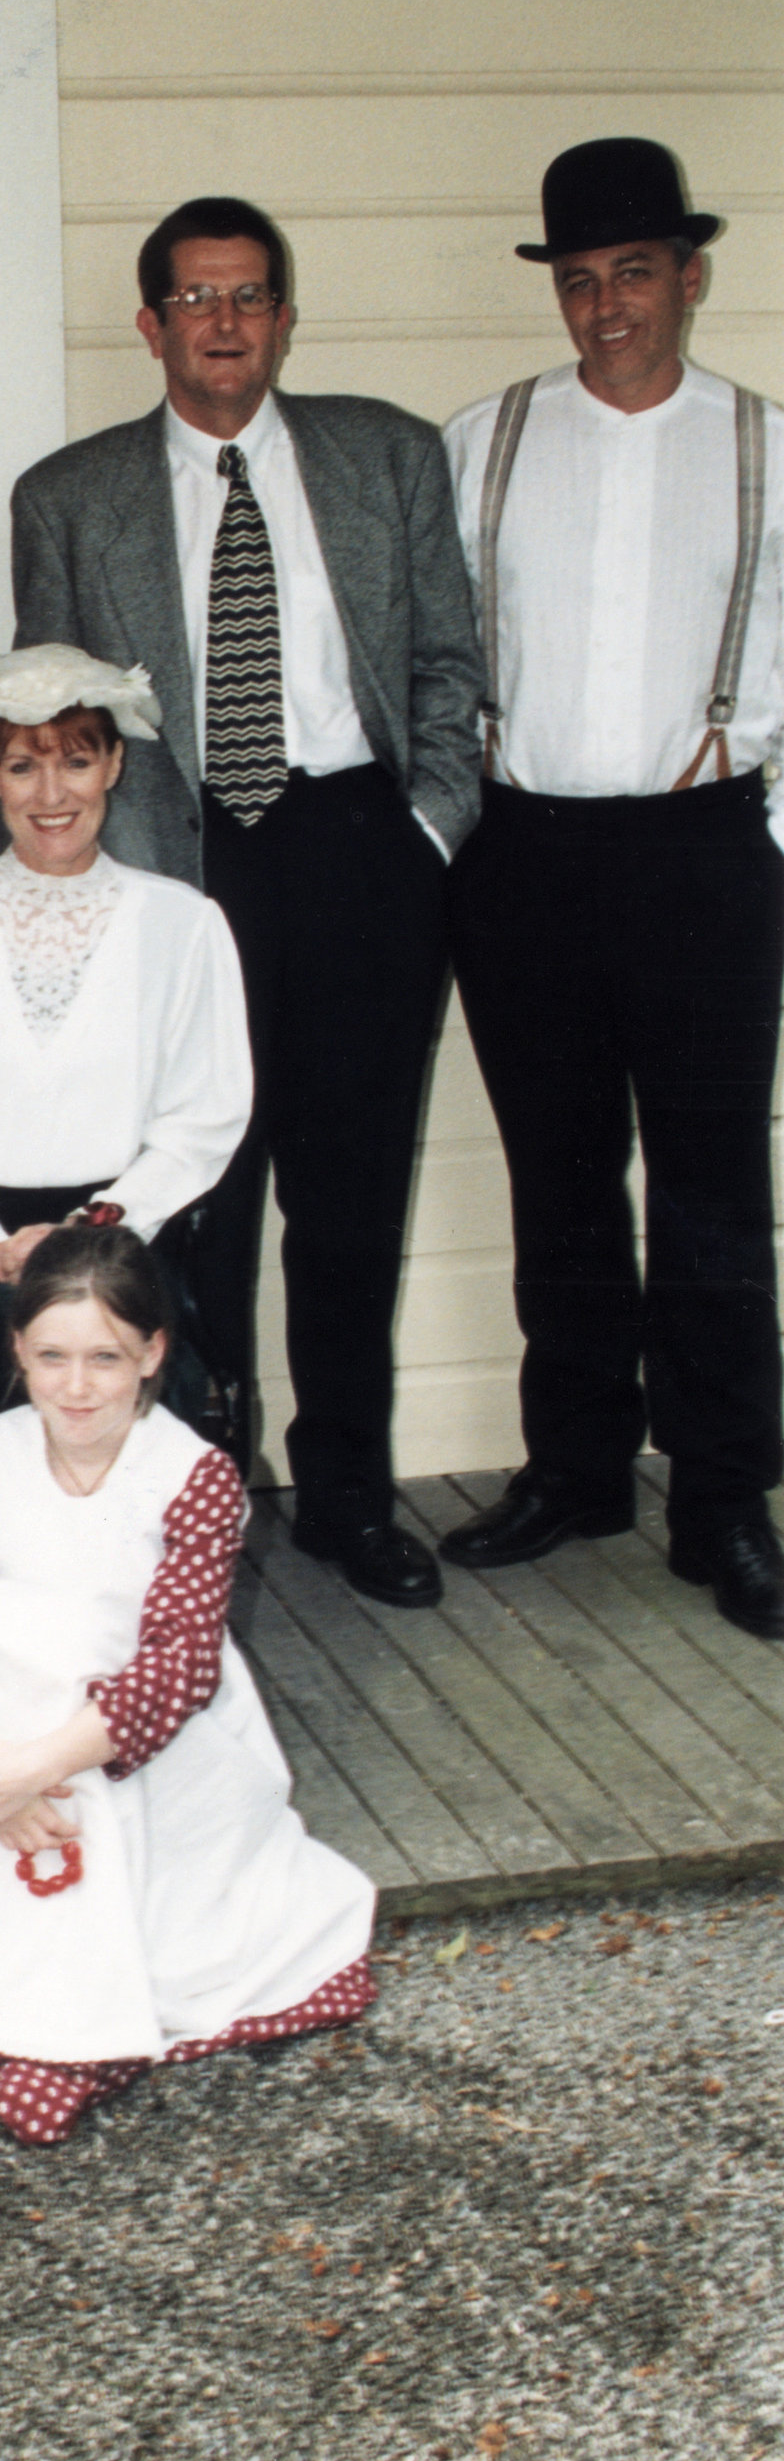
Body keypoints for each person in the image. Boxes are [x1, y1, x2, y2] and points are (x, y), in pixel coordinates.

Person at [12, 196, 484, 1610]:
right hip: (180, 868)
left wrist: (428, 832)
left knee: (348, 1195)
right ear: (151, 325)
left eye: (251, 297)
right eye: (197, 300)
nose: (225, 324)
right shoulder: (70, 496)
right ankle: (193, 1495)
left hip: (357, 850)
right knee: (193, 1200)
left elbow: (450, 665)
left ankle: (346, 1494)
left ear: (285, 316)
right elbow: (56, 716)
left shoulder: (386, 456)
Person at [437, 140, 784, 1645]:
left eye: (633, 274)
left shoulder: (767, 450)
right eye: (580, 281)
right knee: (559, 1178)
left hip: (705, 849)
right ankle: (576, 1466)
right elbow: (433, 660)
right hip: (525, 853)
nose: (606, 308)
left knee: (712, 1194)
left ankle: (722, 1501)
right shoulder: (486, 441)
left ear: (689, 279)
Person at [0, 1223, 376, 2145]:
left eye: (105, 1359)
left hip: (145, 1751)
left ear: (153, 1353)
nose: (76, 1387)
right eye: (51, 1357)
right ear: (18, 1351)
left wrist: (28, 1772)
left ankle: (77, 2023)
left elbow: (178, 1667)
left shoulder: (193, 1477)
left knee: (63, 1651)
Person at [0, 642, 251, 1453]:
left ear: (114, 764)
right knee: (3, 1359)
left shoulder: (181, 923)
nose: (51, 795)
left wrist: (90, 1229)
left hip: (120, 1232)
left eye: (77, 762)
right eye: (22, 767)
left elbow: (203, 1117)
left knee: (132, 1369)